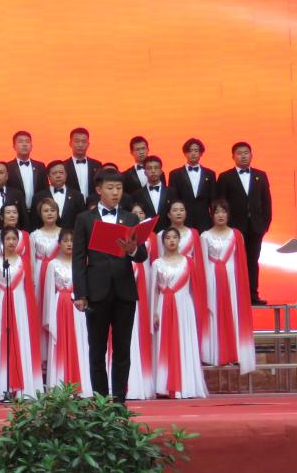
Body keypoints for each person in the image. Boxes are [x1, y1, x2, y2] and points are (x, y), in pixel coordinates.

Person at [72, 169, 147, 404]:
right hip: (96, 292)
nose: (115, 193)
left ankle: (119, 400)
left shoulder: (130, 218)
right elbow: (78, 258)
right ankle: (101, 401)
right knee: (97, 350)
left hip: (124, 291)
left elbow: (141, 255)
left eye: (119, 188)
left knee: (123, 348)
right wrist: (80, 294)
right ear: (99, 190)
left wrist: (132, 250)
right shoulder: (85, 219)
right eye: (110, 188)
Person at [0, 227, 43, 400]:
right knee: (3, 343)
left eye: (14, 239)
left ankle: (22, 388)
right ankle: (3, 387)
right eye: (8, 239)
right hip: (1, 305)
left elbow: (28, 288)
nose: (11, 242)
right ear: (2, 241)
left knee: (21, 340)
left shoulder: (23, 261)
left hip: (20, 307)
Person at [152, 228, 209, 399]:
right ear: (163, 241)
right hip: (163, 306)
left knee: (184, 342)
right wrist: (154, 313)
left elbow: (196, 289)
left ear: (179, 240)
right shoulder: (157, 264)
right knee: (165, 343)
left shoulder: (188, 262)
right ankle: (164, 386)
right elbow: (154, 291)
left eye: (175, 237)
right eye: (168, 238)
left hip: (184, 307)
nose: (171, 240)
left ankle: (186, 385)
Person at [200, 199, 256, 373]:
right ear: (211, 215)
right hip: (212, 279)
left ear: (228, 214)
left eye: (223, 211)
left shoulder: (236, 235)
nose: (220, 215)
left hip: (231, 279)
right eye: (217, 212)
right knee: (214, 313)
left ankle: (236, 353)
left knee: (233, 312)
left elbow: (241, 263)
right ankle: (214, 354)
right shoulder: (205, 236)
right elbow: (202, 264)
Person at [215, 141, 271, 304]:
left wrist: (265, 224)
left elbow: (266, 202)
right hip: (234, 228)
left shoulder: (261, 175)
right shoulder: (225, 177)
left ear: (251, 155)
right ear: (233, 157)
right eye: (239, 153)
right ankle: (235, 296)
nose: (243, 156)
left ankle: (253, 295)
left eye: (246, 153)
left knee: (253, 261)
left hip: (256, 227)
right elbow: (221, 203)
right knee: (234, 262)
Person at [42, 229, 92, 396]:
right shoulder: (52, 265)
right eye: (65, 240)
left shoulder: (83, 263)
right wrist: (49, 318)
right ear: (59, 243)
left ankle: (83, 387)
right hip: (60, 307)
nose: (69, 244)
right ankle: (60, 387)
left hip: (79, 308)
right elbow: (49, 293)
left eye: (72, 240)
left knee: (81, 341)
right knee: (61, 343)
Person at [124, 203, 156, 401]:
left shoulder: (151, 238)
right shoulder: (122, 237)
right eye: (133, 213)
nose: (137, 216)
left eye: (141, 213)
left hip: (143, 280)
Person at [6, 131, 46, 226]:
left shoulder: (40, 166)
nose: (24, 144)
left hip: (37, 213)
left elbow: (45, 189)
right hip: (15, 213)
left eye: (27, 142)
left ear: (31, 146)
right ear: (14, 146)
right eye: (20, 142)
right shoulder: (8, 167)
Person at [31, 161, 85, 230]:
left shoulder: (77, 196)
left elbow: (81, 221)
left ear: (66, 174)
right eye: (54, 173)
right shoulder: (38, 197)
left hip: (71, 236)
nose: (58, 176)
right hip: (47, 235)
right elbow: (34, 222)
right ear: (48, 176)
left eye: (61, 172)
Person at [30, 198, 61, 314]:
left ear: (57, 213)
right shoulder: (34, 235)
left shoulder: (64, 234)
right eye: (46, 211)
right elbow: (31, 260)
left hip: (60, 272)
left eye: (52, 210)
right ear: (40, 214)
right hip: (39, 272)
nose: (49, 213)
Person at [131, 156, 175, 232]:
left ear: (161, 171)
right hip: (146, 234)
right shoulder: (137, 195)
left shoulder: (172, 192)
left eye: (156, 168)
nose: (153, 171)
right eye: (149, 168)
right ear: (145, 172)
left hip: (168, 234)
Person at [64, 127, 102, 199]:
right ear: (70, 144)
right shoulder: (64, 166)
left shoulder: (97, 165)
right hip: (72, 204)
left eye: (83, 142)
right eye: (77, 141)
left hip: (92, 204)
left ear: (88, 144)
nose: (80, 145)